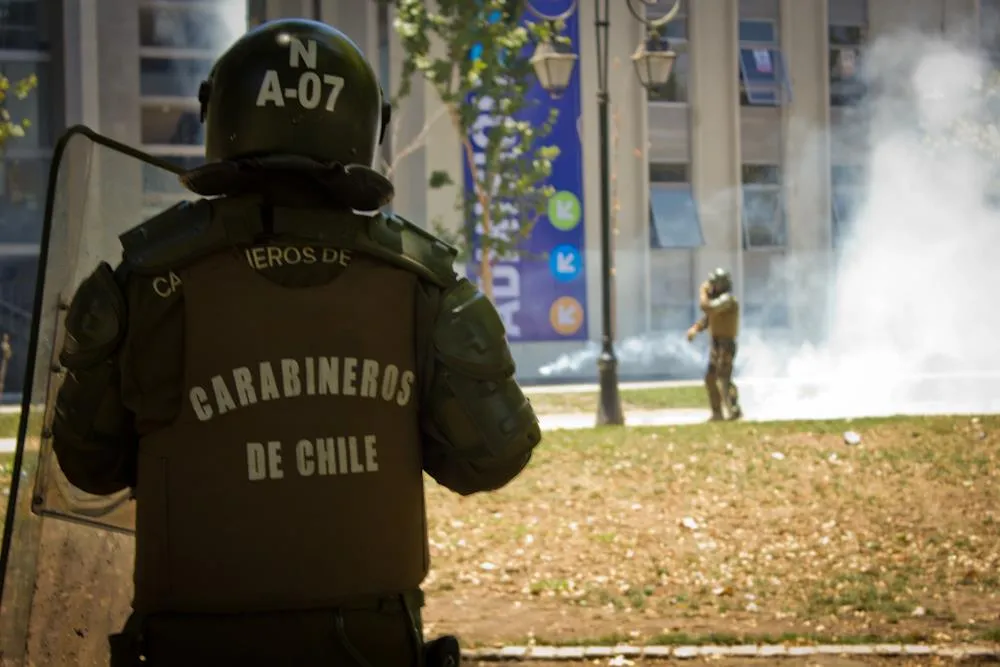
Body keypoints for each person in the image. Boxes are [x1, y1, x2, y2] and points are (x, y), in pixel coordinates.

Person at [50, 18, 541, 667]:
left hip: (191, 648)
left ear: (220, 115)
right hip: (368, 647)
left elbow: (86, 465)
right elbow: (495, 455)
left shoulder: (145, 283)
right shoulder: (419, 285)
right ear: (368, 124)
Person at [686, 268, 742, 421]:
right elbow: (708, 319)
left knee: (724, 378)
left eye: (714, 284)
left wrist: (702, 292)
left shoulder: (728, 300)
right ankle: (717, 412)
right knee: (710, 377)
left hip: (726, 344)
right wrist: (695, 329)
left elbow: (709, 308)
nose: (711, 287)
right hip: (716, 343)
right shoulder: (716, 301)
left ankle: (734, 408)